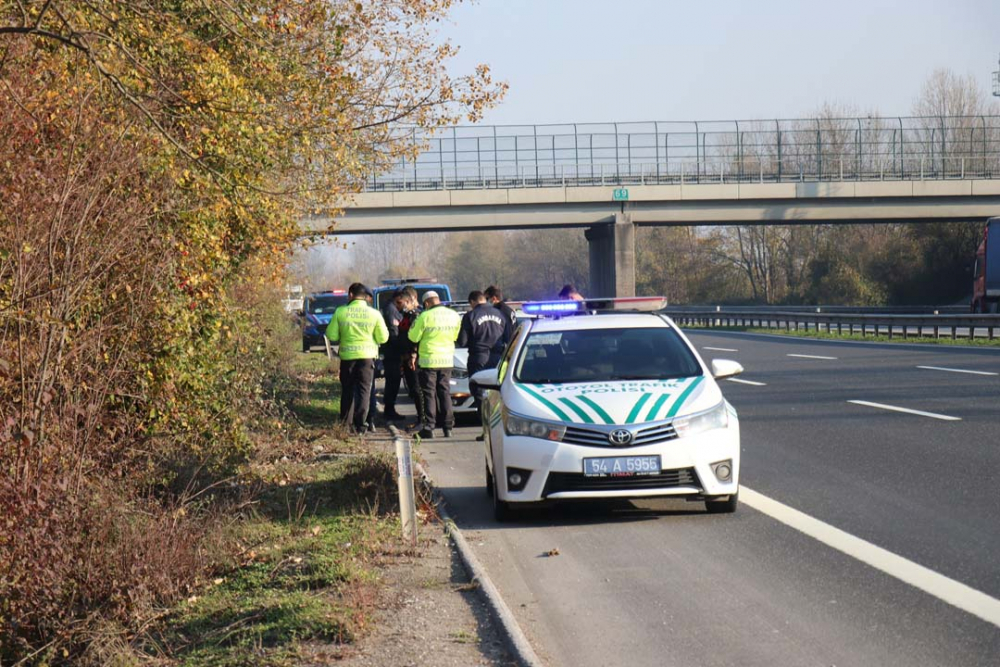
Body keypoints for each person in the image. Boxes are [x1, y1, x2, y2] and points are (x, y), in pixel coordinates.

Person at [325, 282, 389, 434]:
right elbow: (383, 337)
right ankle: (361, 424)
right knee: (364, 391)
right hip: (367, 359)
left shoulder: (341, 312)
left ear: (350, 295)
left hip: (348, 359)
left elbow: (331, 335)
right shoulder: (374, 314)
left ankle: (346, 425)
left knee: (347, 390)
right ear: (366, 297)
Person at [407, 290, 461, 439]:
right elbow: (455, 336)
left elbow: (413, 336)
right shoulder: (453, 315)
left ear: (426, 303)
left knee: (429, 393)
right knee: (445, 392)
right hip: (447, 360)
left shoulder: (424, 316)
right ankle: (448, 427)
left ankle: (429, 427)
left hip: (429, 360)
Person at [458, 290, 509, 441]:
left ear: (472, 302)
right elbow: (507, 337)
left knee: (480, 394)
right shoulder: (500, 314)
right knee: (496, 393)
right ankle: (498, 429)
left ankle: (486, 430)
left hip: (478, 357)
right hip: (498, 358)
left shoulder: (470, 316)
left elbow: (462, 341)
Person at [397, 286, 426, 426]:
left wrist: (413, 355)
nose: (400, 306)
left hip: (414, 359)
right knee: (413, 390)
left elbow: (415, 338)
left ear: (410, 301)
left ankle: (422, 419)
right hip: (406, 358)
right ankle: (420, 417)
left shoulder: (416, 315)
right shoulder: (407, 316)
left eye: (402, 303)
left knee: (417, 389)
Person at [380, 287, 407, 421]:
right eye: (404, 301)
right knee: (392, 382)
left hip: (393, 352)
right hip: (392, 352)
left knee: (393, 382)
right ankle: (389, 410)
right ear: (399, 299)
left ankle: (390, 409)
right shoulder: (390, 310)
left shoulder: (393, 309)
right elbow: (393, 332)